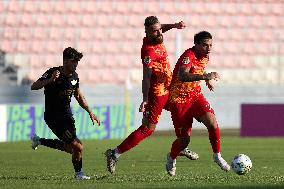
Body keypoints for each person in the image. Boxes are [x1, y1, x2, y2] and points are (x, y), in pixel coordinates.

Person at [105, 16, 199, 174]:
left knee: (182, 109)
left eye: (159, 29)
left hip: (169, 88)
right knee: (148, 129)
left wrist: (174, 25)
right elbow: (146, 77)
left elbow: (161, 27)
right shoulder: (149, 52)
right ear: (147, 32)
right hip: (157, 93)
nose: (159, 32)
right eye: (155, 31)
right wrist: (145, 100)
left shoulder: (157, 37)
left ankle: (181, 146)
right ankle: (114, 153)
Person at [165, 31, 230, 176]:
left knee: (212, 123)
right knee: (184, 141)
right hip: (179, 100)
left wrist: (206, 80)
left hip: (196, 96)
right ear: (196, 44)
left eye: (210, 45)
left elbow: (200, 68)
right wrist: (204, 76)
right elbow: (182, 75)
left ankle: (217, 155)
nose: (209, 48)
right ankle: (171, 157)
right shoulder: (188, 56)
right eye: (205, 45)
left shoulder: (205, 56)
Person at [30, 47, 100, 180]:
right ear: (66, 61)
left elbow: (78, 96)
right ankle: (79, 174)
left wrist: (90, 111)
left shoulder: (74, 77)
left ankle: (39, 140)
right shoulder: (52, 72)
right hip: (53, 117)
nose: (76, 64)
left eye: (77, 62)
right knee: (78, 147)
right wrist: (50, 80)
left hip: (67, 116)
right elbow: (34, 86)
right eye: (74, 61)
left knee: (71, 149)